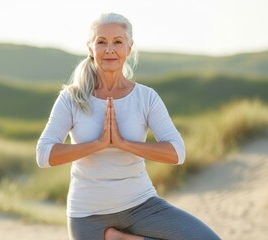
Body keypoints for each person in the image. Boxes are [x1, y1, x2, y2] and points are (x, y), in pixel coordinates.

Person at [36, 12, 220, 240]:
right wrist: (99, 144)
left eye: (118, 42)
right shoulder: (71, 98)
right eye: (101, 42)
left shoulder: (146, 97)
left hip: (141, 205)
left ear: (129, 49)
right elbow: (44, 155)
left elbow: (176, 152)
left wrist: (123, 143)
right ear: (90, 48)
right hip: (89, 214)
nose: (109, 49)